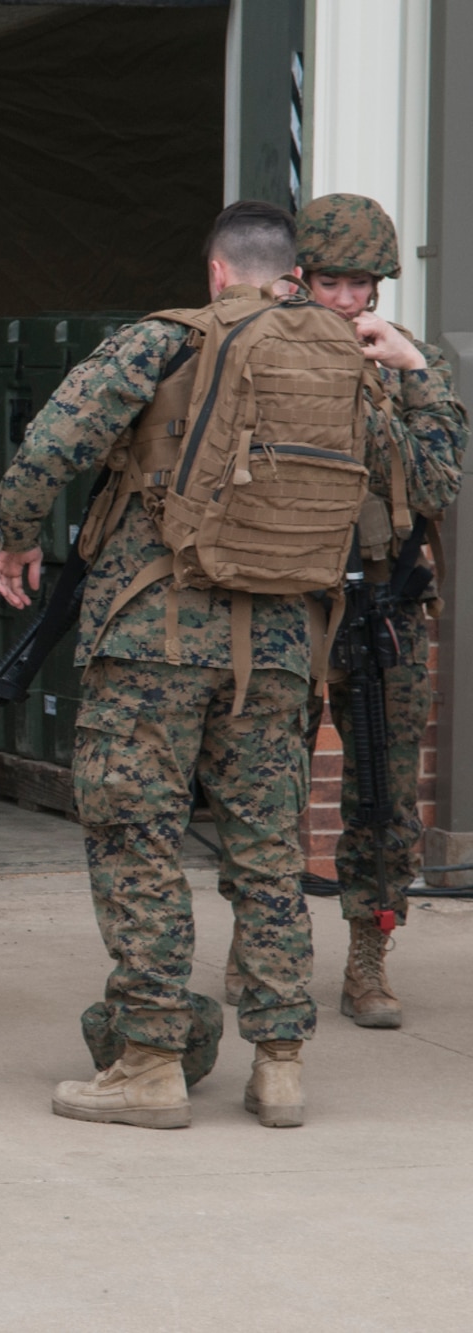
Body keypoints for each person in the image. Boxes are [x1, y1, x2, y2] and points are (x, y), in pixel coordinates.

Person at [0, 200, 428, 1130]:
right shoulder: (348, 358)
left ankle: (150, 1058)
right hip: (279, 646)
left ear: (218, 272)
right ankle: (278, 1062)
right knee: (269, 851)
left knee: (136, 839)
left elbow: (53, 444)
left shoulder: (166, 341)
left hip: (152, 636)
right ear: (293, 274)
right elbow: (420, 482)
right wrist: (422, 376)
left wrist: (14, 536)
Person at [284, 193, 466, 1028]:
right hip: (284, 603)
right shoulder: (262, 356)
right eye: (331, 283)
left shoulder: (412, 370)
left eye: (363, 285)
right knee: (263, 786)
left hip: (384, 602)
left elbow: (437, 485)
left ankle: (369, 954)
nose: (349, 301)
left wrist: (414, 375)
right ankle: (270, 952)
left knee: (383, 793)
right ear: (297, 280)